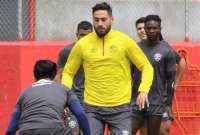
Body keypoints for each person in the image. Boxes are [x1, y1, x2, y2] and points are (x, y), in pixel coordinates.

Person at [61, 2, 154, 135]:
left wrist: (144, 90)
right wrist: (65, 94)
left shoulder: (124, 41)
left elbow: (146, 66)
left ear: (112, 19)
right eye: (96, 20)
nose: (100, 23)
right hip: (92, 108)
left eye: (104, 20)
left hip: (121, 108)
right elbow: (68, 72)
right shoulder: (82, 44)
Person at [6, 60, 91, 135]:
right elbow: (80, 114)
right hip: (53, 129)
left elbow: (10, 129)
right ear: (54, 75)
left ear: (35, 76)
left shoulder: (24, 93)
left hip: (26, 131)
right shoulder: (65, 90)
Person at [134, 16, 187, 135]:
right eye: (140, 29)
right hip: (140, 100)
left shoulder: (165, 48)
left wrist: (175, 85)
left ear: (159, 29)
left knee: (163, 131)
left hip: (159, 100)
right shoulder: (136, 48)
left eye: (153, 28)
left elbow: (181, 63)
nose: (143, 30)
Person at [57, 21, 93, 135]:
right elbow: (60, 76)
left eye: (87, 36)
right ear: (77, 35)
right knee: (73, 132)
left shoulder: (97, 52)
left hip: (92, 101)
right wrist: (62, 100)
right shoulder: (66, 52)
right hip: (72, 100)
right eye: (82, 35)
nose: (84, 38)